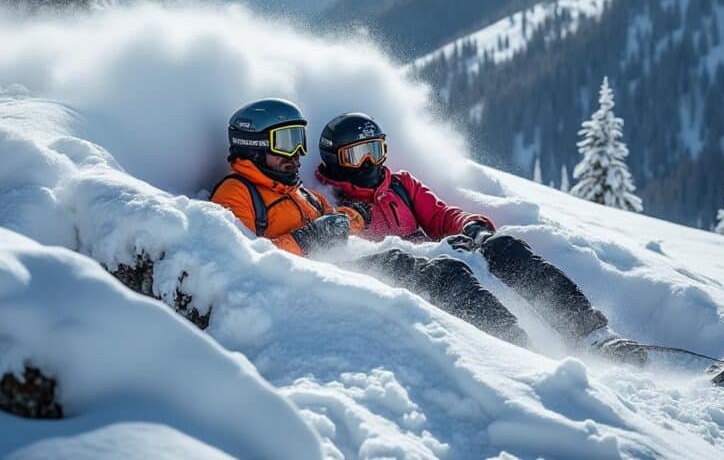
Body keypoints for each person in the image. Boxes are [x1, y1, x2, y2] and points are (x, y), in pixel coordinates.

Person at [314, 112, 648, 364]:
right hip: (416, 278)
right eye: (357, 155)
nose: (370, 162)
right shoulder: (328, 201)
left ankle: (593, 336)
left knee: (506, 248)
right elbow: (346, 250)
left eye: (375, 150)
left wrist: (472, 227)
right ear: (334, 159)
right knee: (454, 277)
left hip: (446, 255)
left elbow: (441, 215)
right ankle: (524, 357)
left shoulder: (400, 185)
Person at [211, 99, 530, 348]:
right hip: (308, 290)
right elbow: (239, 267)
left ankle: (514, 344)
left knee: (448, 271)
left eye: (299, 140)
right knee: (435, 273)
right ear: (253, 145)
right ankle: (509, 351)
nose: (296, 153)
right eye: (285, 141)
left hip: (337, 269)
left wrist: (348, 219)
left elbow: (337, 224)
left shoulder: (302, 193)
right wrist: (306, 238)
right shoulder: (236, 193)